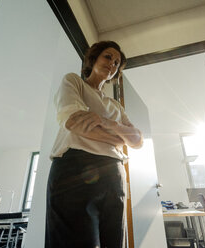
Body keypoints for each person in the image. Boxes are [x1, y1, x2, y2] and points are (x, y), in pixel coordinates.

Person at [46, 41, 143, 248]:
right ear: (94, 59)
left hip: (114, 173)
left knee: (114, 242)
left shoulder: (115, 106)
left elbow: (137, 140)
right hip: (74, 168)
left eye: (117, 63)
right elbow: (74, 122)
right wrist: (118, 138)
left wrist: (108, 123)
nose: (112, 64)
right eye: (108, 57)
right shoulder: (74, 82)